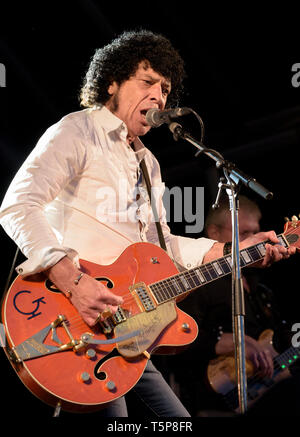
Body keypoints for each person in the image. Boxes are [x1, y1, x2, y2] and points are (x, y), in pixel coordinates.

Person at [0, 30, 294, 417]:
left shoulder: (148, 162)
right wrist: (74, 282)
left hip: (130, 325)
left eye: (166, 88)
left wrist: (233, 250)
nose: (159, 96)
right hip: (75, 318)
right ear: (112, 82)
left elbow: (163, 248)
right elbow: (18, 204)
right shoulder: (76, 131)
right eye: (148, 81)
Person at [173, 195, 300, 416]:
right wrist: (231, 342)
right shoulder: (198, 283)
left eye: (255, 232)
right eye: (244, 234)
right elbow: (176, 341)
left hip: (264, 394)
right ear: (214, 234)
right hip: (210, 402)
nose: (255, 241)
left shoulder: (260, 288)